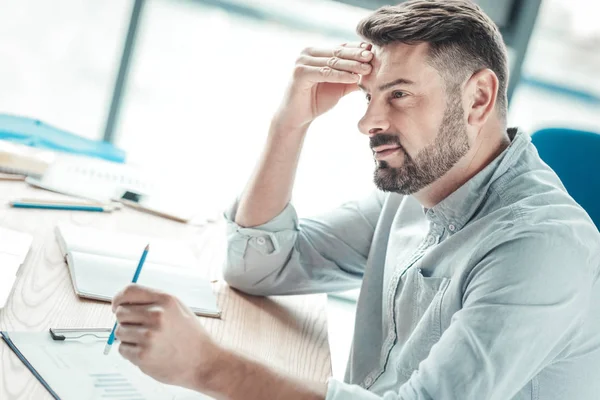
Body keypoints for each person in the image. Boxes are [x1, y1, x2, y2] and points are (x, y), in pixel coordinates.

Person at [111, 0, 600, 399]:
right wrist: (290, 122)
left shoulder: (541, 250)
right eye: (368, 97)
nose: (367, 123)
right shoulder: (419, 187)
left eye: (399, 95)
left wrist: (206, 367)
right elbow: (257, 266)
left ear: (477, 99)